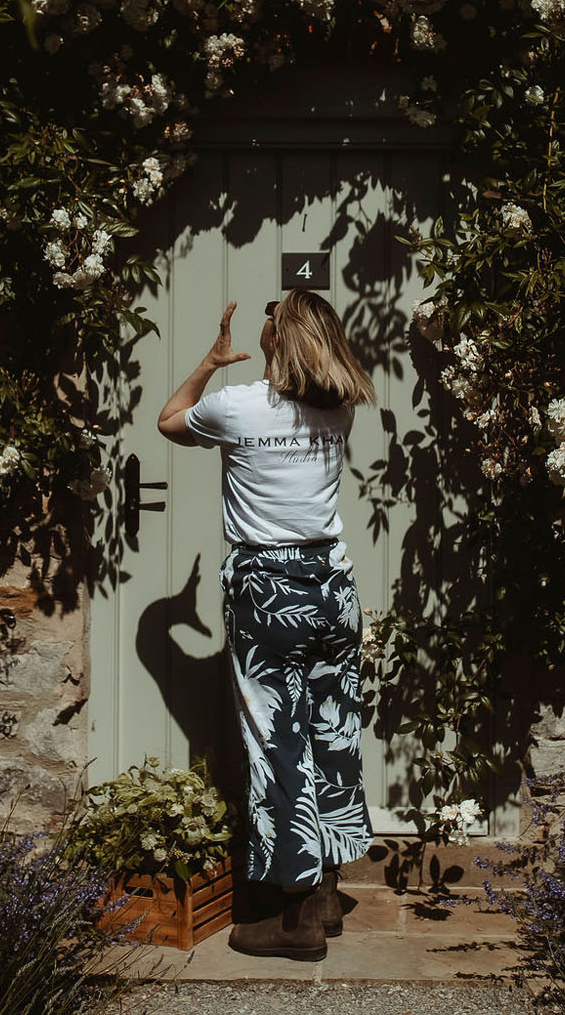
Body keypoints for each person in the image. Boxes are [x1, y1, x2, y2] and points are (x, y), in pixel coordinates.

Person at [156, 291, 378, 961]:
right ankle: (328, 891)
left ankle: (295, 913)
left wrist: (210, 361)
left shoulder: (238, 405)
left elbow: (168, 419)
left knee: (279, 743)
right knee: (332, 733)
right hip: (334, 589)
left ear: (277, 337)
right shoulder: (337, 410)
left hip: (268, 593)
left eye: (270, 318)